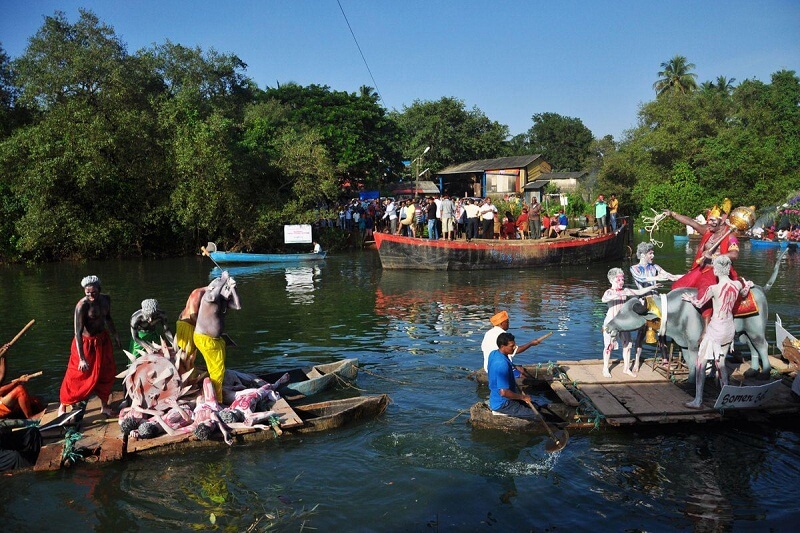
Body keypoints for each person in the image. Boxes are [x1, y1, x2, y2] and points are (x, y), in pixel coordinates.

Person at [681, 256, 753, 409]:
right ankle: (725, 399)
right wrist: (747, 284)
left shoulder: (713, 289)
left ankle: (698, 400)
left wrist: (689, 298)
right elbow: (745, 291)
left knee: (701, 363)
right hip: (729, 329)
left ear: (715, 269)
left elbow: (700, 303)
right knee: (720, 363)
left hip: (716, 329)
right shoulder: (736, 284)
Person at [665, 204, 740, 326]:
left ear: (721, 221)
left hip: (717, 271)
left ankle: (706, 328)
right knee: (677, 287)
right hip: (701, 268)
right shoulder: (708, 231)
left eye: (712, 220)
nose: (708, 223)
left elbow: (734, 254)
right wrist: (673, 214)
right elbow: (691, 223)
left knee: (704, 291)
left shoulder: (730, 235)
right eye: (708, 220)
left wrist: (714, 256)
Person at [58, 275, 122, 417]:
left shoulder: (106, 300)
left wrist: (115, 335)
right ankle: (63, 404)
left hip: (102, 340)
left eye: (93, 292)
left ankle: (104, 406)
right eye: (87, 293)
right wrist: (81, 358)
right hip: (85, 343)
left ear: (99, 289)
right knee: (77, 374)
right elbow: (77, 332)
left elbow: (108, 318)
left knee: (106, 371)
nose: (91, 295)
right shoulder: (82, 306)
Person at [629, 242, 682, 372]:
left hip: (657, 300)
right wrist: (657, 277)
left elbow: (669, 276)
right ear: (642, 255)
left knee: (662, 330)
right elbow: (641, 279)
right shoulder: (634, 268)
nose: (653, 255)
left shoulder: (655, 266)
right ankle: (636, 361)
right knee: (641, 333)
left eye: (652, 253)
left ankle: (664, 359)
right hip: (644, 301)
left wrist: (686, 276)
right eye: (650, 253)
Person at [193, 271, 241, 403]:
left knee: (218, 369)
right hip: (204, 339)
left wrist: (234, 288)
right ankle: (216, 401)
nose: (228, 293)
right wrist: (223, 279)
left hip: (216, 340)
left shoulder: (223, 301)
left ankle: (214, 393)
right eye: (226, 289)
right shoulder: (209, 295)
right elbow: (212, 297)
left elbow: (238, 306)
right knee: (217, 371)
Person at [601, 268, 656, 378]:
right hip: (611, 323)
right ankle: (605, 368)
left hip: (624, 322)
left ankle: (626, 368)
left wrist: (652, 287)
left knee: (627, 345)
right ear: (612, 280)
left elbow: (639, 292)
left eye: (622, 279)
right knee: (609, 346)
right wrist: (616, 295)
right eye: (618, 280)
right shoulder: (609, 292)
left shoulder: (625, 290)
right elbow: (604, 299)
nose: (621, 282)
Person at [486, 332, 540, 418]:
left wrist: (514, 367)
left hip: (497, 398)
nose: (514, 348)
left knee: (536, 406)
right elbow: (504, 392)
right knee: (537, 416)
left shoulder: (494, 353)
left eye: (514, 345)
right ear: (503, 346)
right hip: (503, 403)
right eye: (511, 346)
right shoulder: (502, 364)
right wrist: (523, 397)